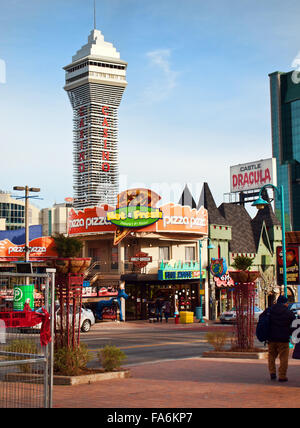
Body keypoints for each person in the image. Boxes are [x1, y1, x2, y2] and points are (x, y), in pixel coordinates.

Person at [266, 295, 295, 382]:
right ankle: (282, 376)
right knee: (283, 357)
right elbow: (294, 325)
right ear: (285, 303)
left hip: (271, 338)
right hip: (283, 338)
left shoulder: (270, 310)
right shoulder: (288, 312)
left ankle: (272, 372)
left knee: (271, 355)